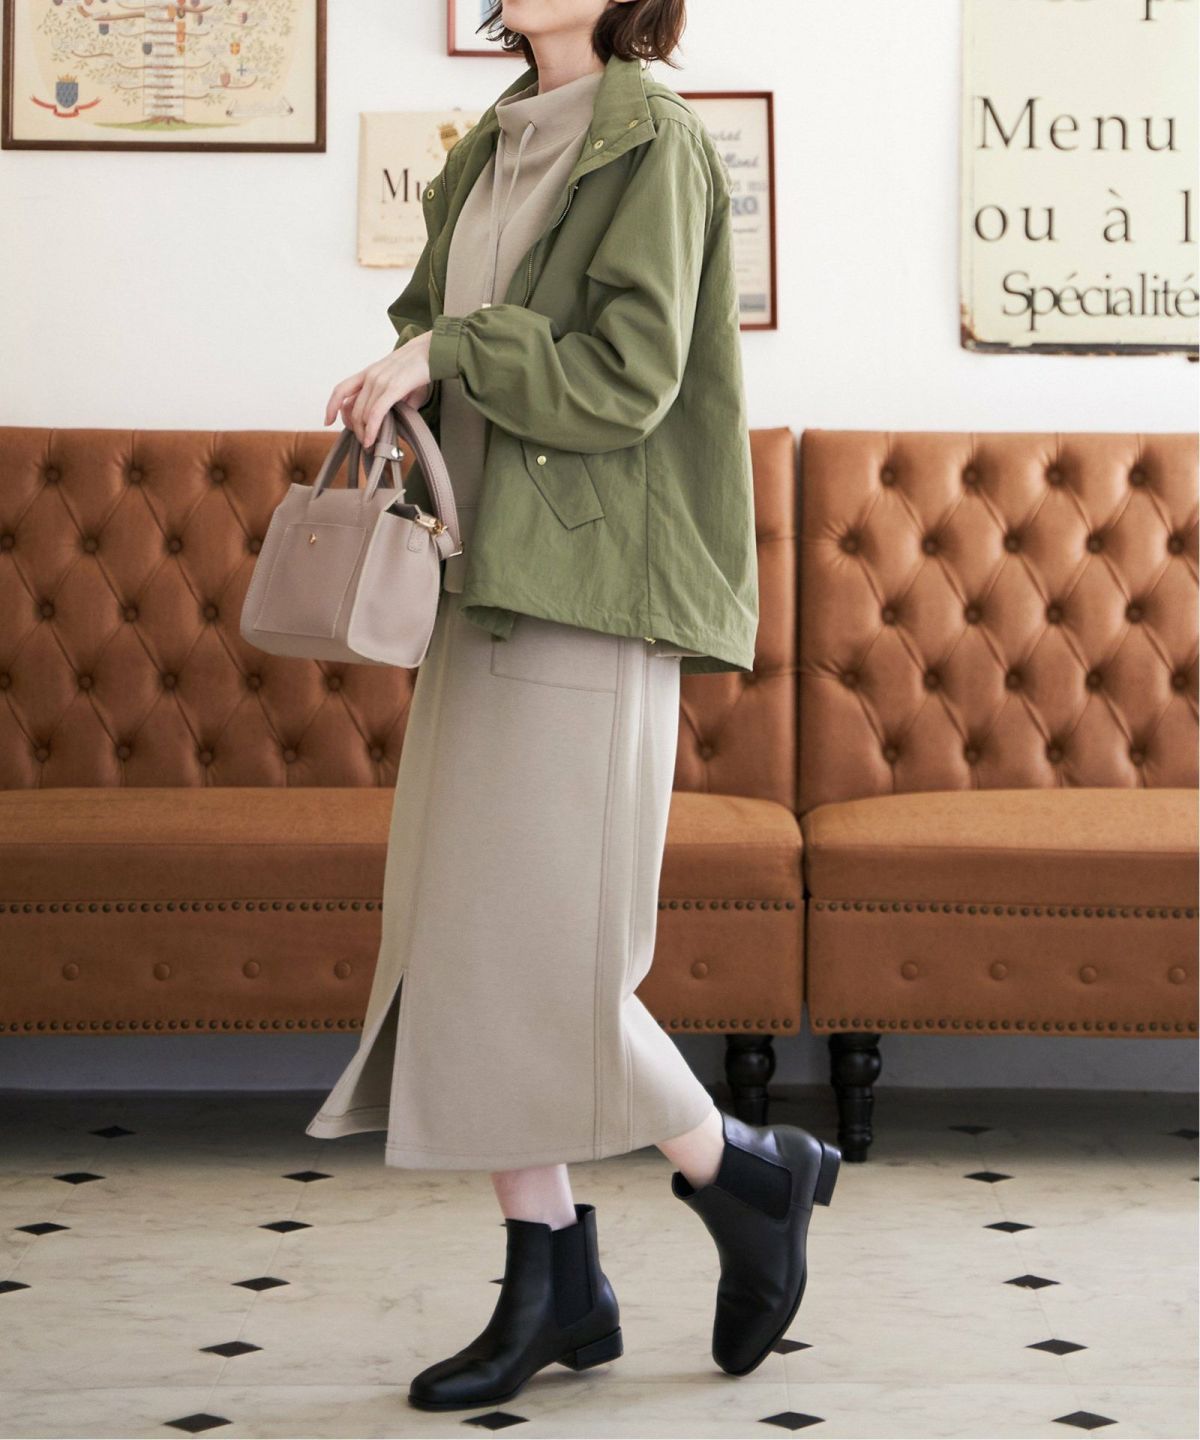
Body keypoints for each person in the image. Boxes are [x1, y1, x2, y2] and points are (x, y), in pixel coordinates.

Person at [305, 0, 841, 1413]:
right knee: (461, 944)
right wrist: (399, 368)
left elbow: (628, 378)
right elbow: (437, 318)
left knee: (547, 960)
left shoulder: (653, 138)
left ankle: (745, 1178)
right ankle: (560, 1275)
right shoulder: (494, 139)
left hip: (591, 590)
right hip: (477, 573)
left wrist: (451, 351)